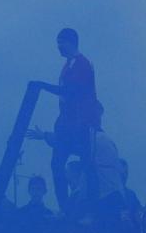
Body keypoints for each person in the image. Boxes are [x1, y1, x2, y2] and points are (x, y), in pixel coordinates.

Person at [30, 28, 101, 213]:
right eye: (57, 43)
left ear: (71, 42)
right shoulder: (67, 65)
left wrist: (44, 86)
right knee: (57, 163)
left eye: (61, 42)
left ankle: (91, 211)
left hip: (81, 124)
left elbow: (72, 91)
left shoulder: (82, 64)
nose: (59, 47)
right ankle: (65, 208)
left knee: (88, 166)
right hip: (67, 124)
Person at [119, 159, 143, 233]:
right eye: (121, 174)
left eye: (126, 173)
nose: (124, 176)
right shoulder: (105, 196)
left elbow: (139, 213)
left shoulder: (131, 195)